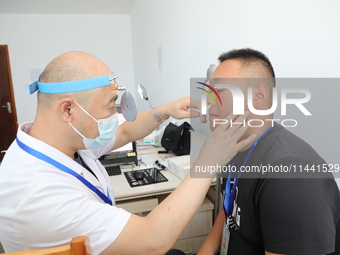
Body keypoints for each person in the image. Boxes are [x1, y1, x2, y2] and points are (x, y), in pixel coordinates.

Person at [0, 51, 256, 255]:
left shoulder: (63, 139)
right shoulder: (38, 191)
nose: (117, 113)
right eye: (111, 105)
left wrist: (164, 110)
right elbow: (152, 241)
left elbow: (122, 134)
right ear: (68, 110)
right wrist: (208, 161)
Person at [197, 48, 340, 255]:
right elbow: (228, 210)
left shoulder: (291, 175)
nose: (208, 101)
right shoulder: (233, 147)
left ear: (259, 96)